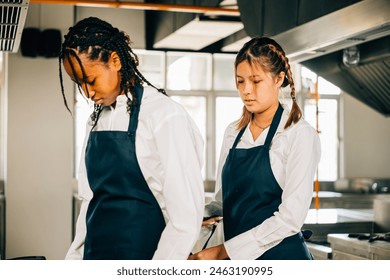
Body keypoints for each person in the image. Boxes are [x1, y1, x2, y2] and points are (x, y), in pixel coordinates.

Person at [58, 17, 205, 260]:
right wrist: (73, 261)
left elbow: (184, 219)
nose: (86, 92)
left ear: (115, 61)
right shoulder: (95, 121)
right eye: (78, 84)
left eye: (90, 80)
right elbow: (89, 202)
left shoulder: (164, 116)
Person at [189, 37, 321, 260]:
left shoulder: (299, 134)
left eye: (256, 81)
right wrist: (195, 215)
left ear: (279, 79)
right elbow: (223, 202)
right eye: (240, 81)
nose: (246, 90)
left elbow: (290, 219)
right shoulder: (233, 132)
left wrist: (224, 251)